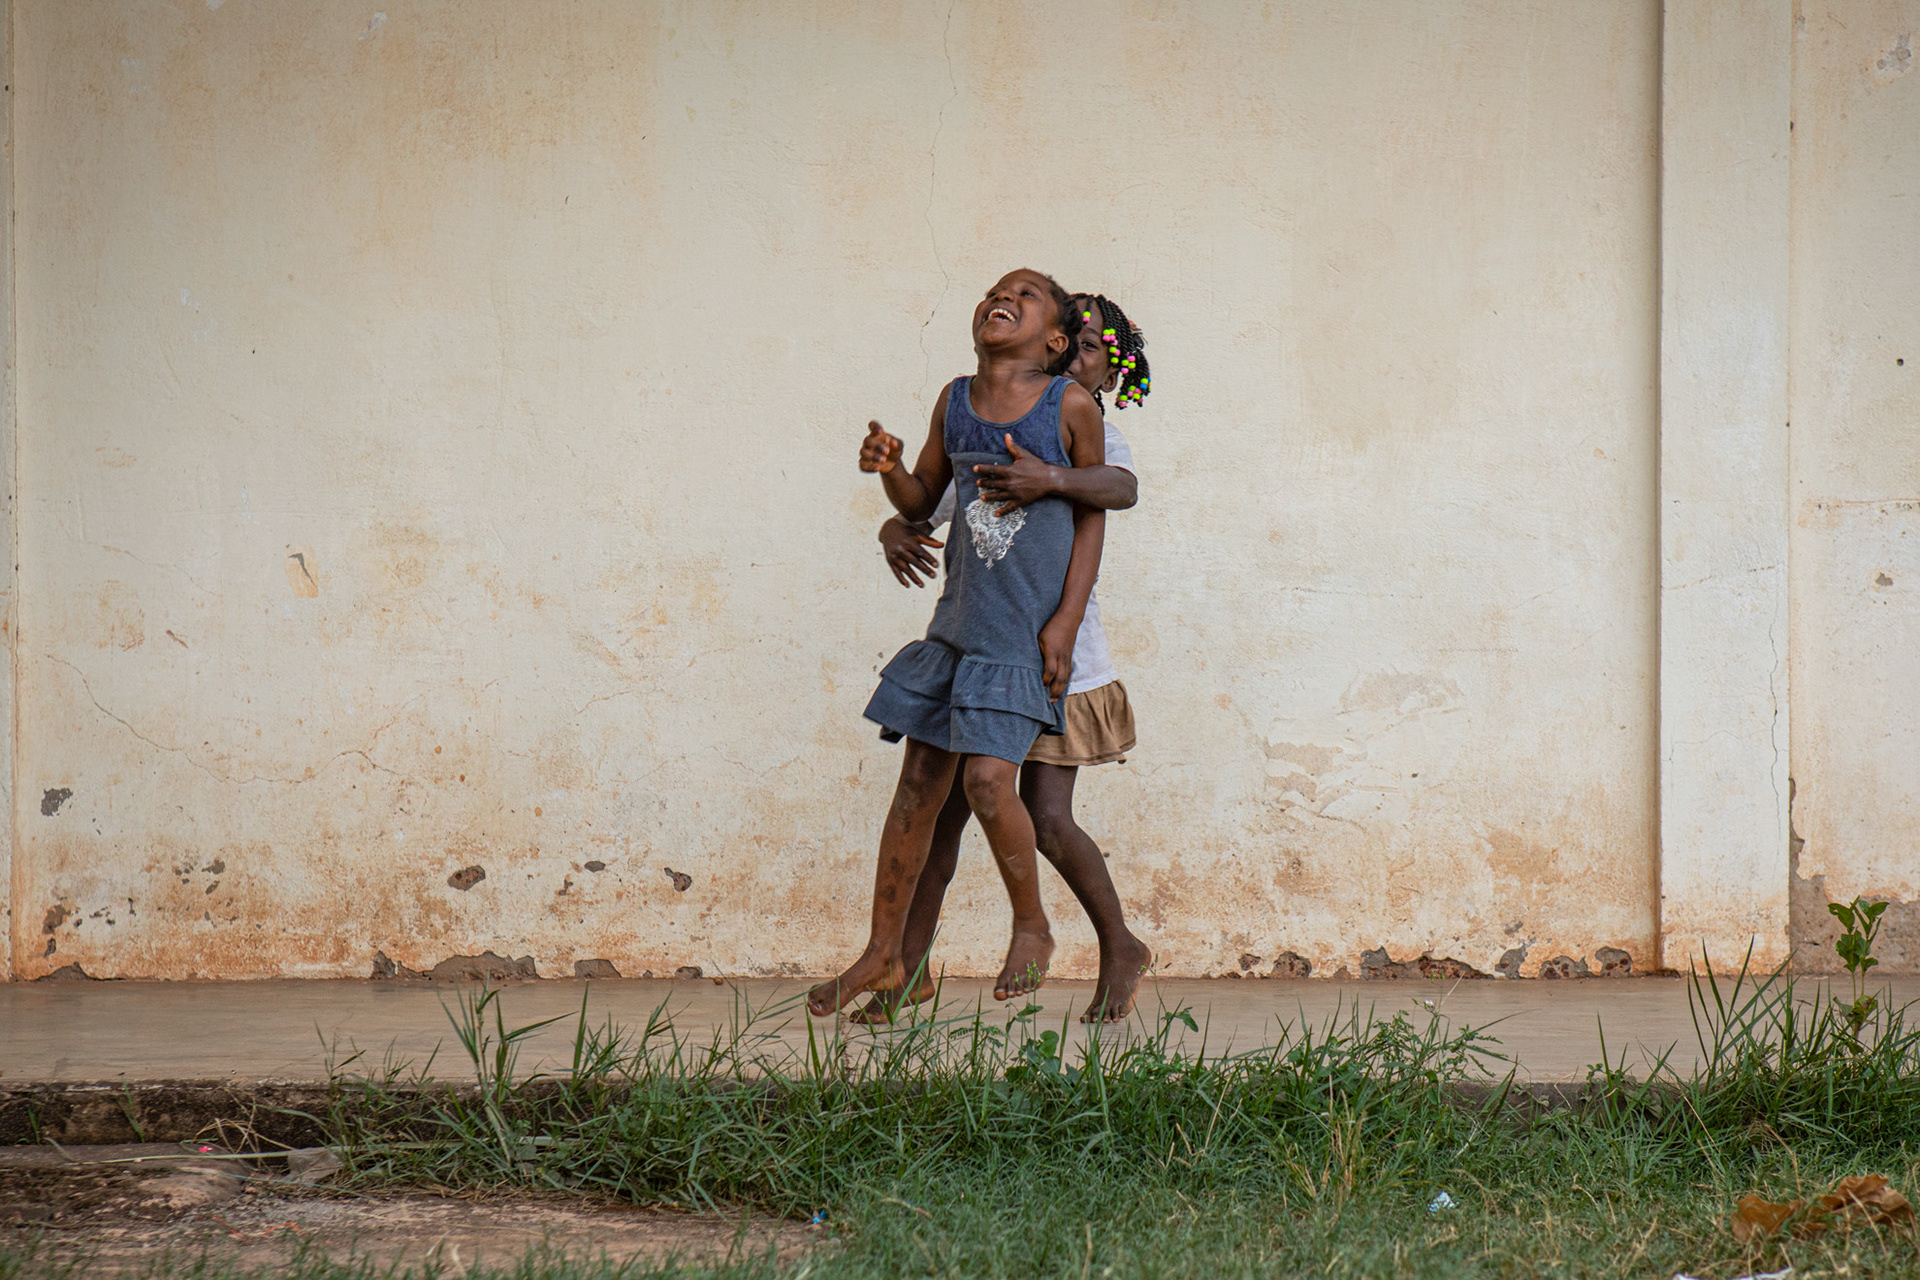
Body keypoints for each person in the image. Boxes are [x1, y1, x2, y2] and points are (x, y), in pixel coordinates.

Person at [807, 269, 1106, 1018]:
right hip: (956, 632)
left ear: (1055, 339)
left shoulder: (1068, 406)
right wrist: (892, 472)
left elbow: (1103, 507)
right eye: (995, 289)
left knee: (986, 783)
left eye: (1026, 294)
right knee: (916, 791)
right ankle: (884, 952)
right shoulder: (954, 399)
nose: (1001, 296)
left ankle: (1032, 925)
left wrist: (1065, 620)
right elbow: (924, 499)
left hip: (1019, 640)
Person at [858, 293, 1155, 1024]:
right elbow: (938, 498)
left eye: (1094, 351)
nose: (1077, 360)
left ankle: (1119, 944)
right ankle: (905, 971)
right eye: (1071, 345)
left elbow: (1116, 493)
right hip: (985, 655)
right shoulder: (998, 416)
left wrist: (1050, 479)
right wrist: (896, 525)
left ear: (1111, 376)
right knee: (945, 818)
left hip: (1060, 658)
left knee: (1047, 817)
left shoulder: (1094, 436)